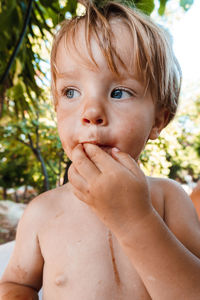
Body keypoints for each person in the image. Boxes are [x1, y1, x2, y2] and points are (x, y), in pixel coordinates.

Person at [1, 1, 200, 299]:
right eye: (71, 92)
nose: (91, 111)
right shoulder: (42, 212)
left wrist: (136, 218)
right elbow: (17, 284)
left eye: (119, 92)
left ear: (159, 119)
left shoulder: (169, 200)